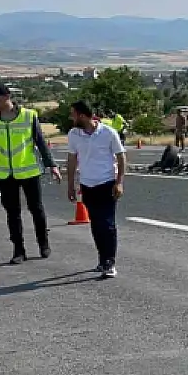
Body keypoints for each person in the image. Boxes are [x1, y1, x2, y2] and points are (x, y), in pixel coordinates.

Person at [0, 85, 63, 264]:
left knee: (36, 208)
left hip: (29, 170)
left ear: (7, 97)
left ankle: (43, 244)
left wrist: (51, 165)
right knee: (12, 212)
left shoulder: (28, 116)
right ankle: (19, 250)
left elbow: (40, 142)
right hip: (5, 173)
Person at [66, 100, 126, 278]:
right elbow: (72, 160)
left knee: (107, 224)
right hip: (87, 185)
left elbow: (121, 157)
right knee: (96, 224)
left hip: (107, 183)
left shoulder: (108, 132)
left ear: (82, 115)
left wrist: (119, 182)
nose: (71, 117)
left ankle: (110, 261)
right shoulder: (74, 134)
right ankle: (102, 259)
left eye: (73, 114)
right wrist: (70, 185)